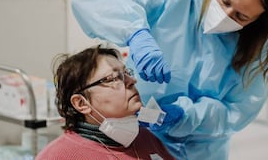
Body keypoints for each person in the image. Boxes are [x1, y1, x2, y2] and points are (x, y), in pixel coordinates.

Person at [71, 0, 268, 160]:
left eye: (241, 16)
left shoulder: (259, 47)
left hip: (202, 151)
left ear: (258, 20)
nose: (225, 15)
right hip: (139, 136)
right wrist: (135, 32)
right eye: (224, 1)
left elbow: (237, 111)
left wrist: (189, 116)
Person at [35, 45, 175, 160]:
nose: (132, 81)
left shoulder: (148, 139)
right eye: (113, 78)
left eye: (127, 73)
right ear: (81, 103)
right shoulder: (58, 156)